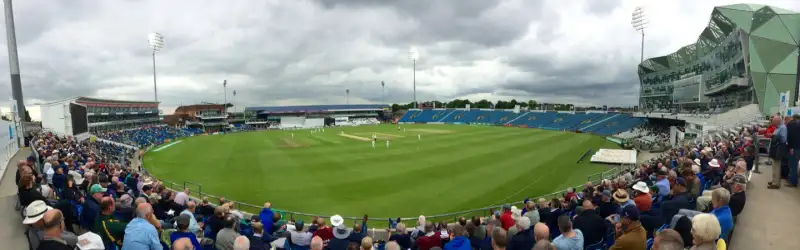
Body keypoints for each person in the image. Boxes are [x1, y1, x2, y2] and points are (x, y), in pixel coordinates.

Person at [768, 115, 787, 189]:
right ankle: (774, 180)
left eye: (773, 121)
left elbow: (783, 139)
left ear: (777, 121)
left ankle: (776, 183)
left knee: (777, 166)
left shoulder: (783, 128)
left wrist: (773, 136)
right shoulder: (777, 128)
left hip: (778, 149)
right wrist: (773, 135)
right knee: (774, 166)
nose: (772, 122)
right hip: (775, 149)